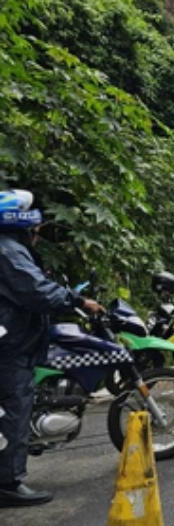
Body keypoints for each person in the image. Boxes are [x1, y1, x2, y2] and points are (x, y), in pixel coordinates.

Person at [0, 190, 104, 507]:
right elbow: (37, 291)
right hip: (10, 345)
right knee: (16, 407)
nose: (39, 231)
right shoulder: (8, 252)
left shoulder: (11, 249)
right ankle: (7, 482)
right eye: (36, 225)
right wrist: (77, 301)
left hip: (13, 339)